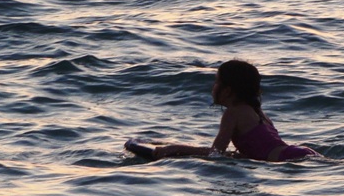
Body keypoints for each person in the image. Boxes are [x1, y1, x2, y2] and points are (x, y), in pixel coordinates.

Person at [125, 60, 320, 162]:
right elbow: (259, 151)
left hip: (287, 159)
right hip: (299, 152)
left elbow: (216, 154)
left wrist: (177, 148)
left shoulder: (232, 113)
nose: (213, 87)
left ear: (227, 90)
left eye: (216, 81)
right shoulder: (258, 111)